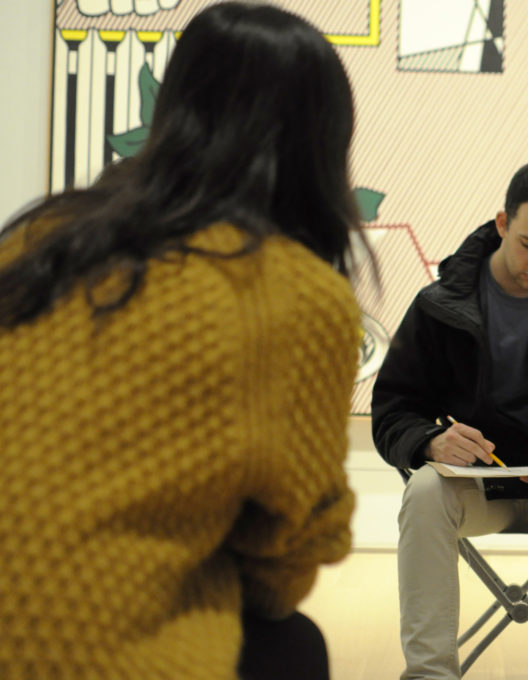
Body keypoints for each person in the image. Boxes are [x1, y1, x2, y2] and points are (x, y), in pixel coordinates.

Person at [0, 3, 368, 678]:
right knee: (292, 646)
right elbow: (289, 558)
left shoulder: (40, 238)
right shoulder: (297, 292)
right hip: (84, 654)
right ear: (323, 140)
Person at [371, 158, 528, 680]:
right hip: (475, 490)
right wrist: (430, 442)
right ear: (502, 224)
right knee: (423, 493)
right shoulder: (439, 303)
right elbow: (392, 409)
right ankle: (429, 675)